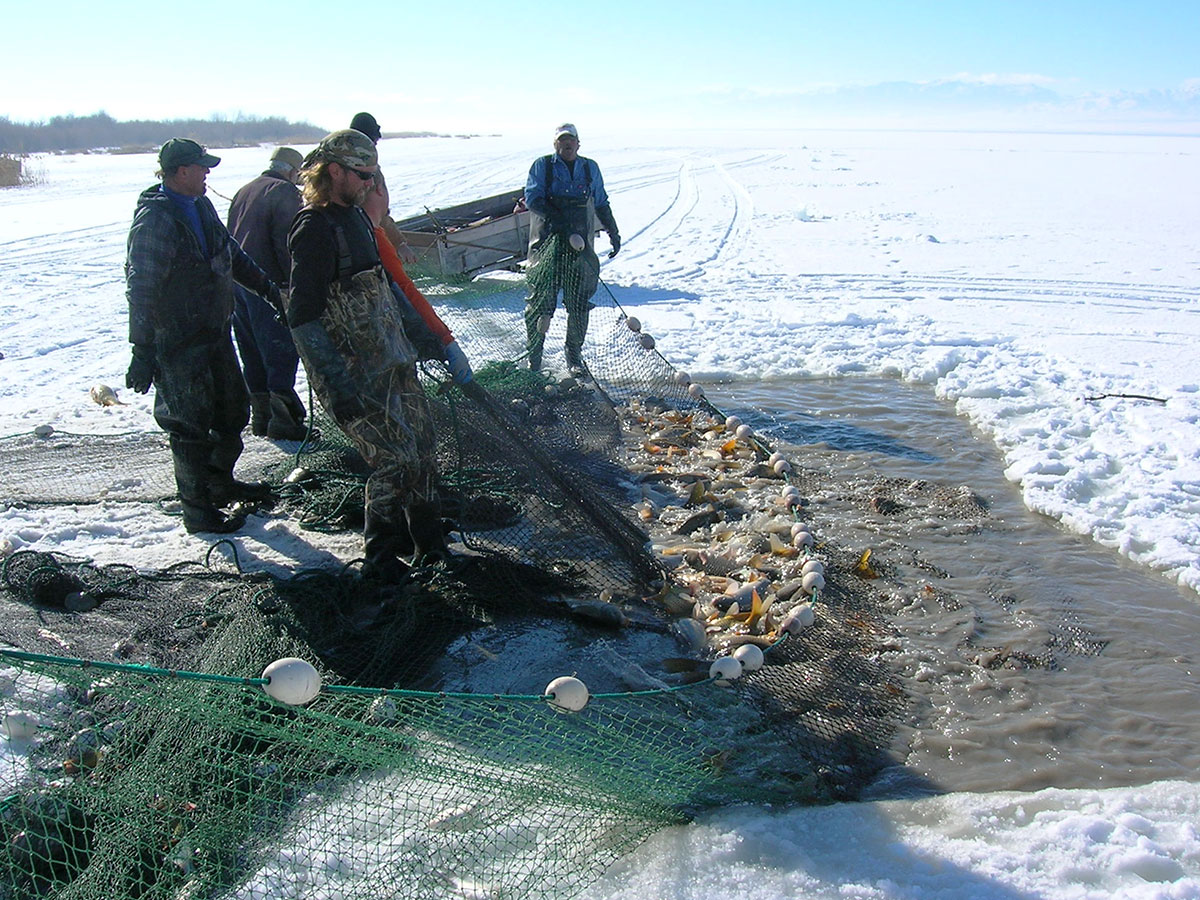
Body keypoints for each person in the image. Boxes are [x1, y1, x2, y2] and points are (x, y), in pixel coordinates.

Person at [286, 129, 448, 581]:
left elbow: (387, 290)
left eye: (373, 174)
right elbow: (302, 317)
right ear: (333, 171)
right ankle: (381, 563)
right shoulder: (313, 230)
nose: (369, 184)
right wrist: (337, 386)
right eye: (362, 175)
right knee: (394, 461)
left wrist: (425, 338)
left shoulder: (357, 220)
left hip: (394, 360)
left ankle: (431, 547)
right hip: (355, 374)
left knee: (424, 449)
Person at [125, 138, 283, 534]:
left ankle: (218, 482)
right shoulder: (155, 220)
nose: (207, 173)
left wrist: (267, 289)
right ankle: (197, 510)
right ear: (180, 172)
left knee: (232, 410)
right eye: (201, 167)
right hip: (178, 342)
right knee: (189, 424)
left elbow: (229, 252)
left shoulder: (200, 205)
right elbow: (140, 286)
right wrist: (142, 349)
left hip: (214, 332)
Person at [360, 171, 475, 387]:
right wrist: (446, 340)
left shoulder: (352, 229)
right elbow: (404, 291)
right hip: (385, 356)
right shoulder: (373, 237)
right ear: (379, 190)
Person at [226, 146, 310, 440]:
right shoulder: (284, 193)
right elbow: (287, 244)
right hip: (269, 285)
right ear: (292, 171)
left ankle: (261, 417)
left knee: (252, 351)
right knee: (280, 352)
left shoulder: (244, 191)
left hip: (239, 285)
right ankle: (285, 421)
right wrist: (293, 286)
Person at [523, 123, 620, 372]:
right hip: (546, 246)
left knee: (579, 303)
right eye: (562, 141)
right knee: (541, 303)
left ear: (578, 143)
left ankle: (574, 356)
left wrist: (613, 231)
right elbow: (533, 199)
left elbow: (601, 201)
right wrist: (561, 223)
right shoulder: (542, 167)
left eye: (571, 140)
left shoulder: (589, 168)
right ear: (555, 144)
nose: (567, 144)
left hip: (580, 249)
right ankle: (534, 358)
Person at [349, 111, 418, 265]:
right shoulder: (365, 171)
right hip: (366, 242)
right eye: (373, 142)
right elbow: (377, 213)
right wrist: (399, 243)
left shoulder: (339, 164)